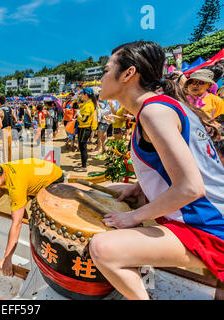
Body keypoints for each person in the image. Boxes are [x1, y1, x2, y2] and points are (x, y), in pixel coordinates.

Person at [90, 40, 224, 300]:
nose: (102, 78)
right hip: (207, 218)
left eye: (106, 70)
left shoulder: (154, 112)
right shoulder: (162, 107)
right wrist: (139, 187)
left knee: (103, 248)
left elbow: (191, 187)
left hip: (210, 228)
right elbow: (183, 165)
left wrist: (135, 216)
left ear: (129, 73)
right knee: (110, 192)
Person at [0, 158, 64, 276]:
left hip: (53, 179)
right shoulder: (2, 170)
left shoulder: (16, 186)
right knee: (19, 209)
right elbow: (1, 187)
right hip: (34, 176)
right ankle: (28, 226)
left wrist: (7, 258)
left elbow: (16, 224)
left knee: (43, 215)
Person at [75, 87, 97, 172]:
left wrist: (78, 114)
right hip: (83, 128)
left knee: (83, 147)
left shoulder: (88, 105)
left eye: (82, 94)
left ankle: (84, 167)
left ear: (86, 95)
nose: (80, 96)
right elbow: (78, 103)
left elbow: (84, 119)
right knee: (82, 147)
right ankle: (83, 164)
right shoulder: (87, 103)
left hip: (85, 128)